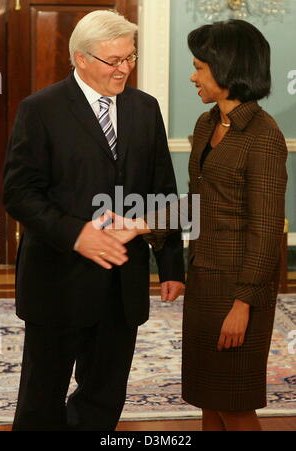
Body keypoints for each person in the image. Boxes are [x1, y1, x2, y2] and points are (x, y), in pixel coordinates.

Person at [3, 10, 185, 431]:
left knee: (105, 394)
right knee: (41, 399)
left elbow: (163, 190)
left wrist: (172, 263)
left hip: (123, 281)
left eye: (130, 58)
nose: (124, 69)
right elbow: (19, 194)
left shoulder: (145, 108)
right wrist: (77, 233)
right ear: (80, 58)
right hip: (57, 280)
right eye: (114, 60)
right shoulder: (40, 109)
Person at [116, 19, 288, 431]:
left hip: (239, 291)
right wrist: (137, 224)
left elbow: (265, 232)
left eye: (199, 67)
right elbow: (197, 203)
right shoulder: (207, 124)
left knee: (234, 403)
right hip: (206, 280)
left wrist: (243, 304)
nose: (192, 76)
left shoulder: (263, 136)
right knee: (208, 401)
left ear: (227, 69)